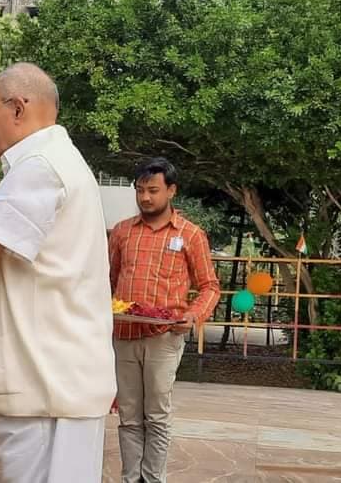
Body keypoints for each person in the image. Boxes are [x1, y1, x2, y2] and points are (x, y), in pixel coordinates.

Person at [0, 62, 116, 482]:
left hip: (43, 384)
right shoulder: (59, 161)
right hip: (54, 381)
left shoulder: (38, 166)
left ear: (18, 108)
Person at [109, 157, 221, 483]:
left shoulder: (190, 235)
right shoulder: (122, 232)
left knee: (156, 416)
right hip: (125, 333)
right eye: (140, 190)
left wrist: (193, 316)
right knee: (129, 417)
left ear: (171, 190)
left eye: (153, 190)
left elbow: (210, 286)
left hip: (164, 337)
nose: (145, 197)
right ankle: (131, 478)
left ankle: (152, 479)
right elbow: (109, 279)